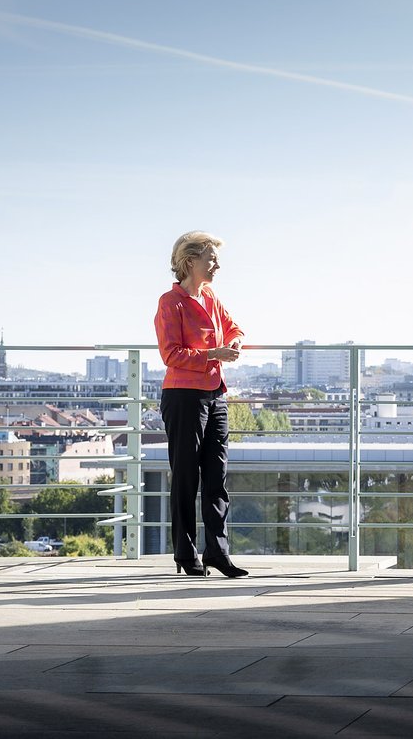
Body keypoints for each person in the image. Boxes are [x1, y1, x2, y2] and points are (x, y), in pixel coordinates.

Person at [154, 231, 248, 578]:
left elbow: (234, 327)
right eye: (210, 258)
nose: (217, 265)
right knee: (185, 478)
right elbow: (171, 354)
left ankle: (218, 553)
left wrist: (234, 341)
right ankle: (185, 552)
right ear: (189, 261)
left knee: (216, 478)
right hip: (184, 397)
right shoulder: (171, 302)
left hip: (215, 394)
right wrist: (214, 354)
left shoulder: (210, 297)